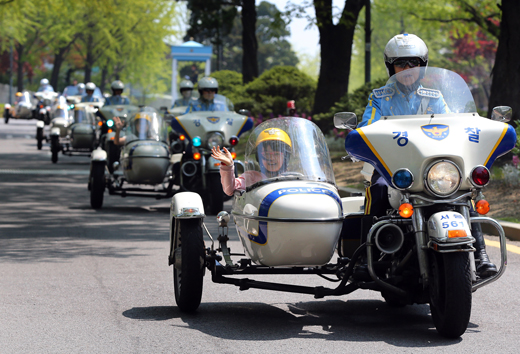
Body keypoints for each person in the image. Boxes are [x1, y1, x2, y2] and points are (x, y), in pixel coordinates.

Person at [359, 33, 496, 278]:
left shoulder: (435, 97)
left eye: (413, 64)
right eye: (401, 64)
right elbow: (367, 126)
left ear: (422, 66)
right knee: (378, 188)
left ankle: (481, 253)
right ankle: (366, 255)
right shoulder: (379, 98)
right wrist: (362, 133)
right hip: (394, 168)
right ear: (391, 67)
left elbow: (454, 125)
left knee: (465, 190)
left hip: (431, 167)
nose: (407, 69)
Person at [211, 127, 292, 196]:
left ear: (286, 157)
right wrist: (228, 166)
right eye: (266, 154)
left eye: (277, 154)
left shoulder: (292, 178)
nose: (271, 158)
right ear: (258, 157)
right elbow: (229, 189)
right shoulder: (251, 177)